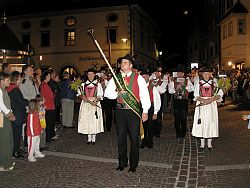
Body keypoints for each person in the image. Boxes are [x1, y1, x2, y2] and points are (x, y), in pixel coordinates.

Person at [104, 54, 151, 172]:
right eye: (121, 62)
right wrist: (117, 94)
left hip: (133, 111)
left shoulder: (138, 78)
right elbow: (107, 94)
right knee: (121, 138)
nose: (122, 64)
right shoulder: (116, 77)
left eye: (125, 62)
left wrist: (145, 111)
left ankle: (133, 165)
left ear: (130, 65)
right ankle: (122, 163)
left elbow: (144, 95)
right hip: (120, 111)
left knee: (134, 139)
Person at [191, 66, 223, 151]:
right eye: (204, 74)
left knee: (211, 123)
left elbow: (220, 94)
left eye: (207, 74)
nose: (206, 75)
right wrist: (203, 100)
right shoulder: (198, 83)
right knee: (202, 123)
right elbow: (196, 96)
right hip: (202, 106)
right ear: (202, 74)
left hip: (211, 106)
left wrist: (211, 99)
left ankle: (209, 144)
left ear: (210, 74)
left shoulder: (214, 84)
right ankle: (202, 145)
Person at [77, 68, 104, 144]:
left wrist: (95, 102)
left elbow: (100, 95)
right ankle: (89, 137)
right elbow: (79, 94)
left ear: (94, 75)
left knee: (94, 120)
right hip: (85, 104)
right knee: (87, 119)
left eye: (92, 74)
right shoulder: (83, 84)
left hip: (95, 103)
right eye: (89, 74)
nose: (90, 76)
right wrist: (83, 97)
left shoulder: (98, 84)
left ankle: (94, 138)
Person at [6, 71, 29, 159]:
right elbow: (21, 101)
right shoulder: (15, 89)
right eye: (20, 77)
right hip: (17, 114)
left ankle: (17, 149)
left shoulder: (11, 88)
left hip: (15, 113)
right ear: (17, 79)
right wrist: (28, 101)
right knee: (16, 134)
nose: (21, 79)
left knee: (17, 133)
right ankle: (15, 151)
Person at [168, 65, 194, 138]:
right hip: (176, 101)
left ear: (183, 74)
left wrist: (185, 87)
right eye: (179, 73)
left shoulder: (187, 80)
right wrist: (176, 89)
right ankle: (178, 133)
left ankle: (183, 134)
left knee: (184, 117)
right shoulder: (173, 81)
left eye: (181, 73)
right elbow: (170, 91)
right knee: (177, 117)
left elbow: (192, 89)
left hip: (184, 100)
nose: (180, 74)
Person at [140, 69, 161, 149]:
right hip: (142, 107)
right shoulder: (140, 86)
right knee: (143, 126)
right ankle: (144, 142)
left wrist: (155, 112)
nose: (144, 78)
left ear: (149, 77)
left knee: (150, 126)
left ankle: (150, 143)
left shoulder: (153, 87)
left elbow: (157, 99)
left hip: (151, 108)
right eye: (143, 76)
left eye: (146, 76)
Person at [0, 72, 16, 171]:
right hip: (3, 117)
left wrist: (10, 113)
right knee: (5, 141)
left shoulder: (3, 90)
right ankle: (4, 164)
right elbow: (1, 105)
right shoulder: (0, 90)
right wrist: (9, 114)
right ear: (2, 81)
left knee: (8, 139)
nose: (9, 81)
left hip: (5, 116)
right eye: (7, 80)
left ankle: (7, 160)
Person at [40, 71, 56, 143]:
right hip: (48, 106)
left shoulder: (44, 84)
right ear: (46, 77)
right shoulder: (45, 85)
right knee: (49, 123)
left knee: (49, 122)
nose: (50, 77)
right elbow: (50, 96)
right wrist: (53, 93)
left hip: (48, 105)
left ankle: (49, 137)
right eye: (49, 76)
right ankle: (48, 138)